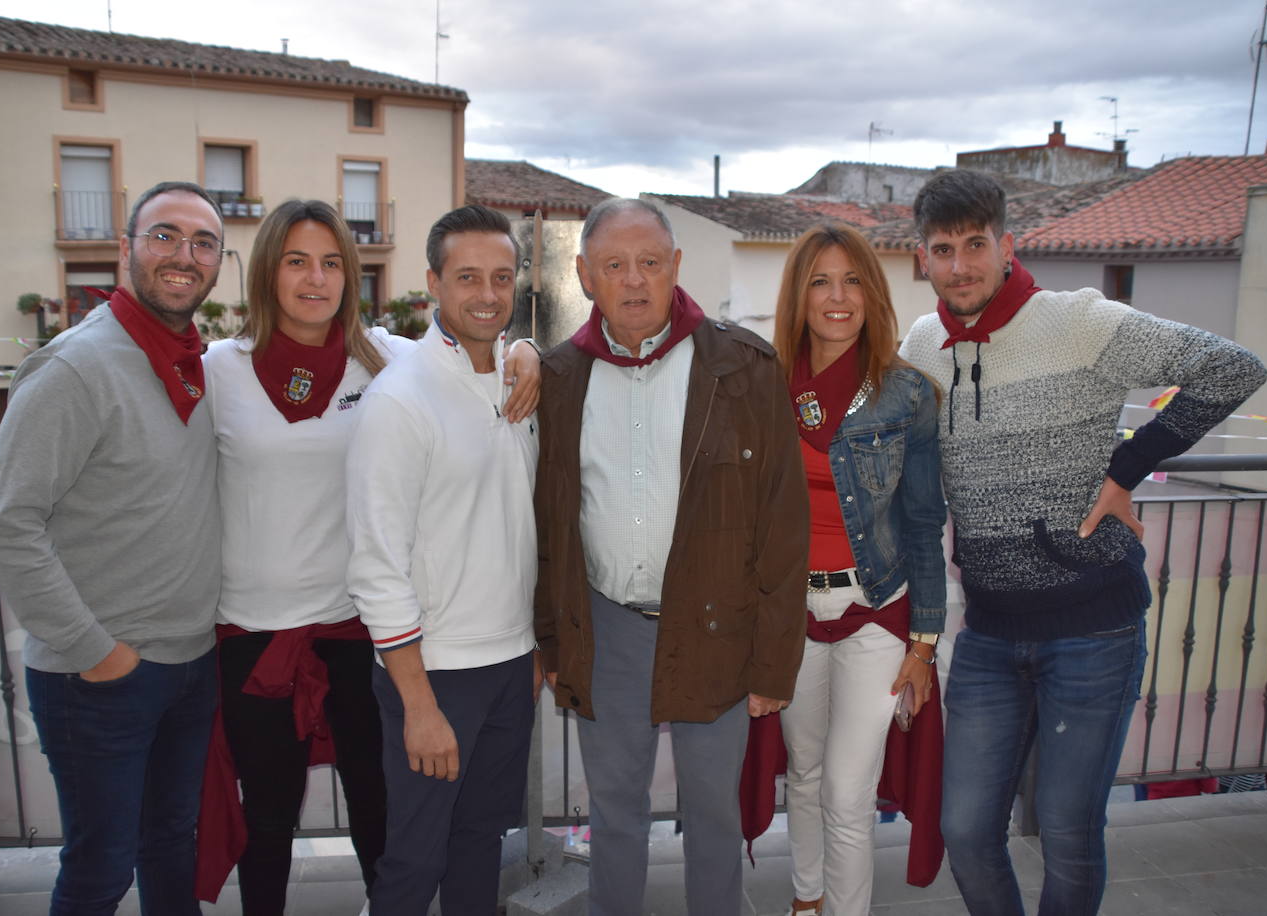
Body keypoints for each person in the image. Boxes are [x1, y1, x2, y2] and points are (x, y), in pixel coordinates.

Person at [899, 169, 1267, 915]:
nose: (962, 264)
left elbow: (1233, 369)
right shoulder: (923, 343)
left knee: (1068, 832)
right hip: (990, 633)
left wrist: (1127, 466)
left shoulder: (1078, 321)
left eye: (977, 244)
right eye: (945, 248)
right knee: (965, 830)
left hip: (1093, 628)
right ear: (924, 258)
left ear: (1008, 246)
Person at [534, 197, 809, 916]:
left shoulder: (743, 368)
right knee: (615, 815)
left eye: (650, 263)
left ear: (676, 268)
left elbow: (783, 522)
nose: (634, 281)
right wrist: (551, 640)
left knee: (714, 815)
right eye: (615, 266)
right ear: (585, 275)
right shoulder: (558, 378)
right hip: (605, 626)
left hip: (717, 628)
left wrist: (774, 663)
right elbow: (546, 525)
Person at [0, 181, 226, 915]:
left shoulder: (190, 365)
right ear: (126, 249)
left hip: (188, 664)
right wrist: (96, 652)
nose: (185, 255)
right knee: (100, 869)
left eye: (203, 242)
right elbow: (3, 524)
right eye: (165, 236)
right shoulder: (74, 368)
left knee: (171, 843)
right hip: (103, 677)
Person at [346, 204, 540, 915]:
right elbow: (374, 565)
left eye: (500, 277)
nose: (487, 294)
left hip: (509, 665)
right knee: (413, 861)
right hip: (434, 676)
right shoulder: (399, 401)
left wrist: (532, 649)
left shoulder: (516, 380)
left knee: (481, 842)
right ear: (433, 282)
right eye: (467, 278)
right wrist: (417, 703)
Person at [771, 225, 946, 916]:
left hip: (875, 610)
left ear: (872, 293)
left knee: (848, 791)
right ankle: (806, 901)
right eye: (820, 281)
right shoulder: (765, 385)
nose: (837, 297)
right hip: (791, 617)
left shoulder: (907, 396)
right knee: (805, 774)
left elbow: (925, 525)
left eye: (852, 281)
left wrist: (925, 643)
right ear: (799, 296)